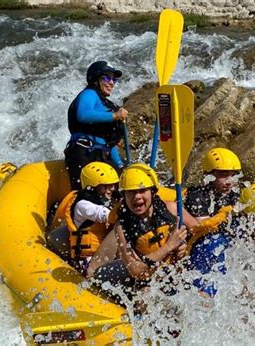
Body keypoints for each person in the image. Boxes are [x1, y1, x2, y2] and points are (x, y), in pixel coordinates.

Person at [108, 163, 198, 290]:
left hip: (180, 275)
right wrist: (169, 246)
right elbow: (135, 270)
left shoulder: (172, 209)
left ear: (153, 192)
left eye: (142, 191)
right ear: (124, 196)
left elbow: (201, 235)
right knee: (144, 296)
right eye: (131, 192)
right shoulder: (121, 227)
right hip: (150, 282)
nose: (137, 196)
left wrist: (186, 246)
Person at [184, 148, 242, 297]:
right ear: (208, 175)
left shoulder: (235, 195)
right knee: (214, 242)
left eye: (233, 175)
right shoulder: (197, 196)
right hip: (200, 249)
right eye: (223, 175)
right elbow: (203, 228)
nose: (229, 181)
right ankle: (204, 291)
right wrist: (226, 213)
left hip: (226, 246)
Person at [46, 161, 120, 275]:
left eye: (113, 185)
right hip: (88, 261)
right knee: (119, 229)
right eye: (106, 186)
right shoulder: (83, 206)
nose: (112, 189)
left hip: (103, 255)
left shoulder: (105, 201)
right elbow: (108, 216)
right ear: (93, 187)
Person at [64, 60, 129, 190]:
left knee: (118, 191)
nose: (111, 83)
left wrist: (120, 165)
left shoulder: (105, 103)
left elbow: (108, 144)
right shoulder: (89, 93)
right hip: (83, 152)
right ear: (95, 80)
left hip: (102, 153)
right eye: (107, 78)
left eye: (113, 80)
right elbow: (83, 115)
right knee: (87, 195)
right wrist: (115, 116)